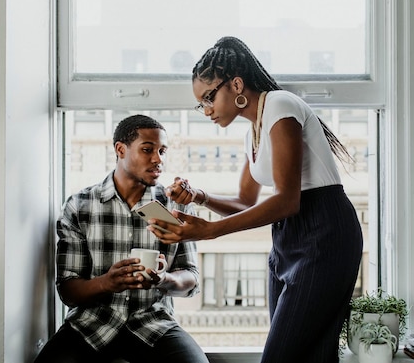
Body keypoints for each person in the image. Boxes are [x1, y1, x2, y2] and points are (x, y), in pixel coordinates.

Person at [148, 37, 364, 363]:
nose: (206, 110)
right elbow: (245, 201)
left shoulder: (280, 105)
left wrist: (209, 231)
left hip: (325, 232)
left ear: (236, 84)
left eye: (209, 98)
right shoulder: (253, 133)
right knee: (312, 357)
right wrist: (200, 196)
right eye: (200, 103)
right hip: (288, 239)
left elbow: (287, 200)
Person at [35, 114, 208, 363]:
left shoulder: (174, 206)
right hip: (90, 325)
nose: (158, 159)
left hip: (154, 324)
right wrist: (107, 283)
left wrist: (164, 279)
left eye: (162, 151)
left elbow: (191, 278)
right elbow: (68, 290)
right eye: (148, 149)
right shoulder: (80, 206)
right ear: (120, 149)